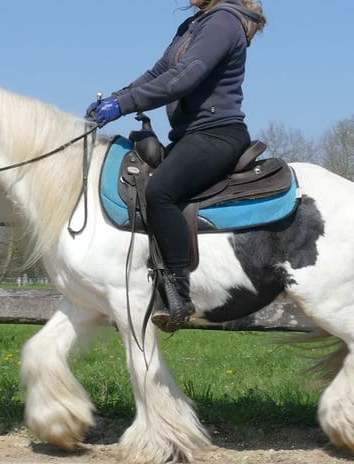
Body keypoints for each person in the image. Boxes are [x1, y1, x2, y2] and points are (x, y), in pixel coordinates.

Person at [86, 0, 266, 332]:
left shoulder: (223, 22)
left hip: (217, 135)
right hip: (188, 136)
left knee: (161, 191)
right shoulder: (195, 25)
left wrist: (124, 105)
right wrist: (117, 95)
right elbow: (159, 73)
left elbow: (184, 79)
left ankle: (178, 294)